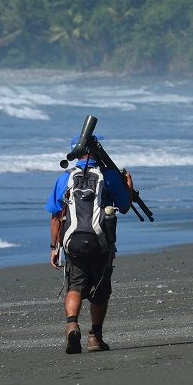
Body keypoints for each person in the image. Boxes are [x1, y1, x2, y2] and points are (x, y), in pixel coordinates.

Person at [46, 133, 133, 354]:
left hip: (73, 242)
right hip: (101, 242)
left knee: (75, 286)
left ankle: (72, 324)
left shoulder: (65, 178)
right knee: (100, 291)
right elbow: (123, 206)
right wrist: (129, 188)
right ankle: (95, 337)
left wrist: (54, 248)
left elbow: (56, 216)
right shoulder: (109, 175)